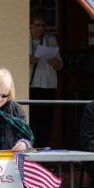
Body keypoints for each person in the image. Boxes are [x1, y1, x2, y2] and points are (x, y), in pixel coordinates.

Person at [29, 8, 62, 146]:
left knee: (46, 122)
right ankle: (29, 148)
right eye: (37, 25)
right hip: (31, 85)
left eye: (43, 25)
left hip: (48, 85)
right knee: (31, 120)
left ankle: (43, 151)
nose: (40, 28)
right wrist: (30, 59)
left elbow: (60, 65)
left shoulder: (50, 39)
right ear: (30, 25)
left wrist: (55, 62)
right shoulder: (24, 39)